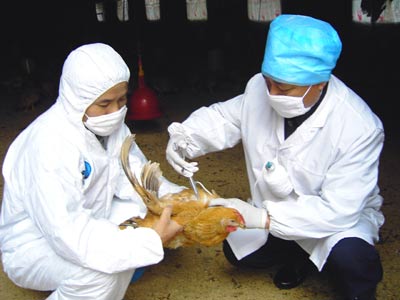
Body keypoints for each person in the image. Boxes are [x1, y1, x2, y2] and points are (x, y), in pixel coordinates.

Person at [165, 14, 384, 300]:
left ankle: (338, 262)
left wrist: (264, 218)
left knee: (350, 260)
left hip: (335, 220)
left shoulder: (359, 126)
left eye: (284, 88)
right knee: (236, 251)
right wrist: (184, 138)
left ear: (320, 82)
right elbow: (226, 118)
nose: (271, 93)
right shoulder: (260, 89)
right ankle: (298, 255)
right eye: (269, 81)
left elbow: (338, 210)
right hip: (275, 206)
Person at [0, 43, 184, 300]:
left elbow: (136, 175)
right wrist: (149, 242)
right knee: (99, 273)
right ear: (77, 99)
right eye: (105, 103)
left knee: (149, 215)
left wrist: (182, 199)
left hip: (92, 216)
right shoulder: (50, 145)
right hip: (36, 244)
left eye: (122, 100)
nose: (115, 111)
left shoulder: (110, 127)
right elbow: (66, 233)